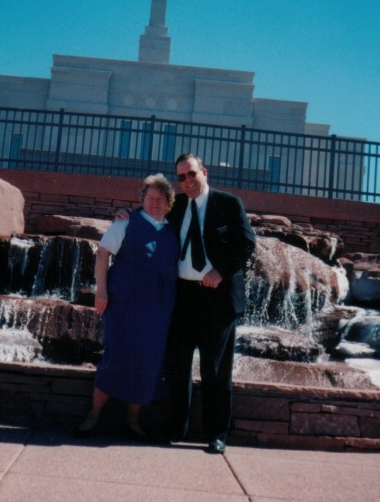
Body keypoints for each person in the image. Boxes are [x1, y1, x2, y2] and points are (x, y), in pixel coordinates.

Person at [77, 174, 179, 439]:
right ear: (142, 200)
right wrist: (101, 290)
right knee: (116, 357)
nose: (155, 203)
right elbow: (102, 254)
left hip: (158, 310)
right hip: (124, 306)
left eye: (160, 199)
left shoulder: (172, 230)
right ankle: (93, 415)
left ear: (168, 202)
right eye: (150, 198)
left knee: (148, 362)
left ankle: (132, 421)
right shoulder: (125, 223)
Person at [166, 153, 256, 454]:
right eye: (180, 177)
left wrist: (221, 271)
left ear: (203, 172)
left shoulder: (228, 204)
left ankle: (217, 435)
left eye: (191, 174)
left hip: (218, 300)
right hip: (183, 298)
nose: (187, 182)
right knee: (177, 367)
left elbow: (247, 244)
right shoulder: (176, 206)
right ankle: (176, 428)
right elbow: (149, 215)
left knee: (215, 371)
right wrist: (124, 216)